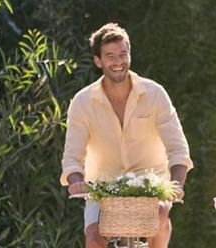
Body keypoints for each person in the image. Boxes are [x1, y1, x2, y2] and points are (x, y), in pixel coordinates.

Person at [61, 22, 192, 248]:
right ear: (98, 61)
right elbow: (72, 157)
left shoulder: (154, 94)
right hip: (103, 187)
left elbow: (178, 149)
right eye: (110, 56)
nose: (118, 62)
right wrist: (76, 181)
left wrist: (176, 184)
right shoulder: (82, 102)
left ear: (129, 55)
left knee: (159, 218)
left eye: (123, 54)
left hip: (150, 183)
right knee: (94, 239)